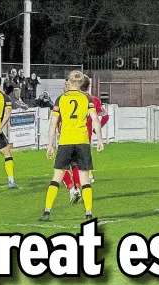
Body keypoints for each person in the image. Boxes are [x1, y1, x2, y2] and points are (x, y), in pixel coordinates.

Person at [37, 71, 104, 222]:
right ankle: (88, 214)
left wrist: (49, 145)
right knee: (85, 179)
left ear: (69, 82)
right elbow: (95, 119)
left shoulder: (61, 98)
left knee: (56, 178)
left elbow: (53, 123)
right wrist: (100, 140)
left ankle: (47, 212)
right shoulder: (87, 98)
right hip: (82, 141)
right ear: (81, 83)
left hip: (65, 141)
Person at [61, 75, 109, 203]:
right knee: (78, 163)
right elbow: (104, 117)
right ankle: (83, 183)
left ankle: (73, 189)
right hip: (84, 136)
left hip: (68, 136)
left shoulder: (67, 98)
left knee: (64, 165)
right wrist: (95, 131)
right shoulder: (94, 100)